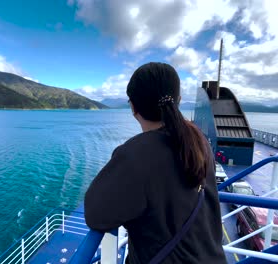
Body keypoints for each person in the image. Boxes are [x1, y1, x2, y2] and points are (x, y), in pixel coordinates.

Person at [84, 62, 226, 264]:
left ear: (133, 107)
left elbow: (95, 214)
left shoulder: (134, 154)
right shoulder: (199, 140)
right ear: (178, 100)